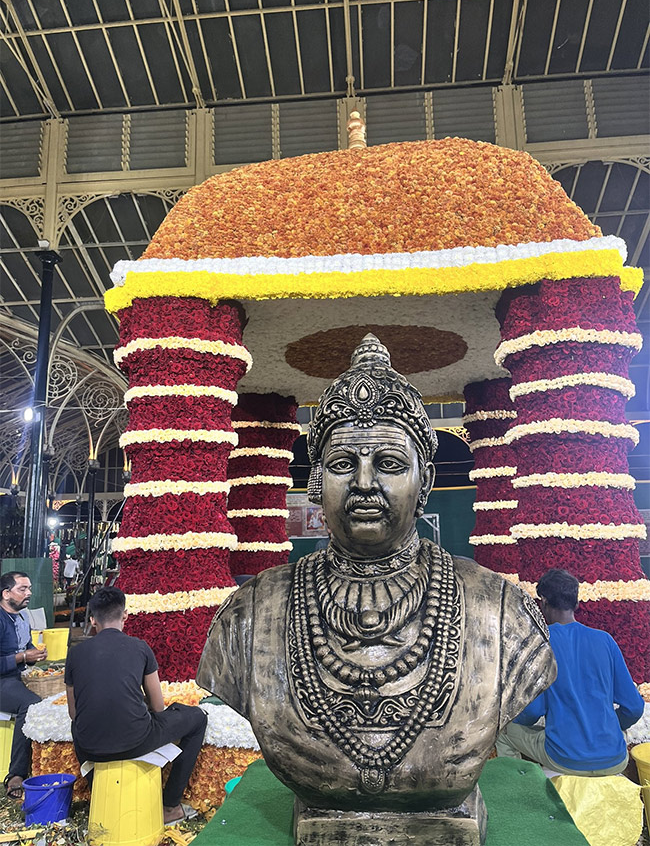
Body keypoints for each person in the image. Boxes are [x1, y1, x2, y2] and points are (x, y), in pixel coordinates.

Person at [198, 334, 556, 827]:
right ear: (316, 481)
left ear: (424, 482)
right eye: (344, 464)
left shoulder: (499, 611)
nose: (365, 483)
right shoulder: (252, 614)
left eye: (388, 464)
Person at [65, 587, 207, 825]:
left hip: (89, 747)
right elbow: (158, 707)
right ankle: (170, 806)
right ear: (126, 616)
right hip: (137, 740)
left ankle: (102, 799)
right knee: (197, 719)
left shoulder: (75, 653)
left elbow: (73, 713)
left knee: (78, 728)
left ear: (92, 619)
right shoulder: (140, 647)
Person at [496, 567, 644, 775]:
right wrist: (609, 725)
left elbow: (532, 711)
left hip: (565, 759)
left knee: (505, 733)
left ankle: (517, 792)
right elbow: (635, 707)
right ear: (576, 603)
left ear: (544, 602)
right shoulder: (605, 640)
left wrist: (515, 720)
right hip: (615, 759)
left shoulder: (542, 644)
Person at [0, 571, 48, 799]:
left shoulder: (22, 617)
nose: (28, 593)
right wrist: (22, 657)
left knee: (53, 696)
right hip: (3, 680)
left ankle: (45, 763)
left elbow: (25, 645)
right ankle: (16, 774)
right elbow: (19, 654)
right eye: (22, 589)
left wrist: (36, 655)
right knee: (30, 704)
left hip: (19, 676)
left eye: (29, 589)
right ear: (6, 593)